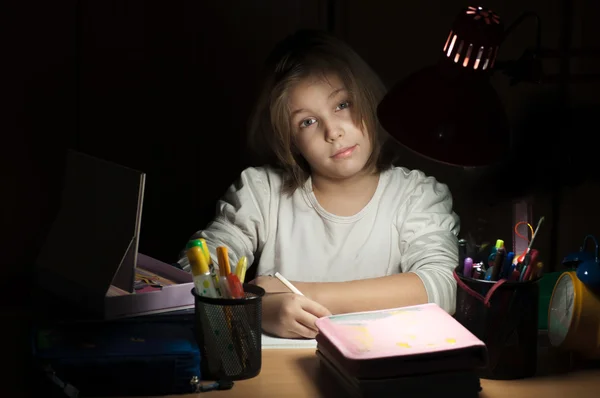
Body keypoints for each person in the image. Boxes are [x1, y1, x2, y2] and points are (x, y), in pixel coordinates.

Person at [178, 29, 460, 339]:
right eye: (307, 122)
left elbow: (442, 287)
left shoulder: (416, 196)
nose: (333, 132)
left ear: (367, 99)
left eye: (342, 105)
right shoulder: (263, 192)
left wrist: (294, 293)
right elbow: (193, 274)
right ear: (291, 140)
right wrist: (253, 308)